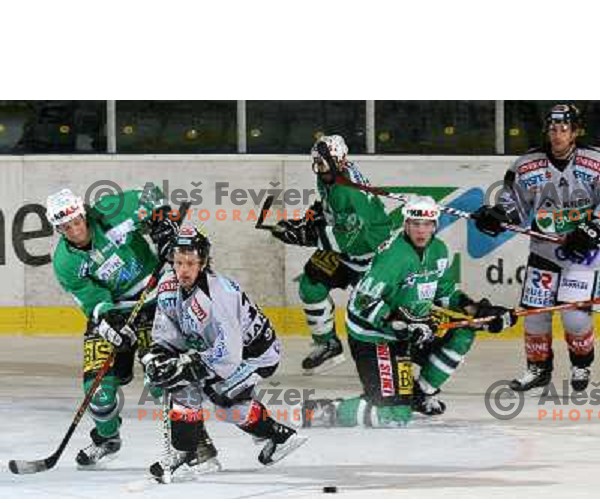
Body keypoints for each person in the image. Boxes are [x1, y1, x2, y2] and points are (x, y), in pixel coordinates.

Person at [47, 185, 219, 469]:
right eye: (66, 227)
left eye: (77, 221)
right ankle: (107, 438)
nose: (75, 230)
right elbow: (92, 300)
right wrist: (108, 318)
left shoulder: (109, 211)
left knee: (164, 378)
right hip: (114, 313)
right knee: (97, 390)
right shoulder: (64, 262)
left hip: (154, 301)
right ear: (59, 229)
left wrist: (163, 225)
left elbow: (151, 196)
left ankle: (197, 443)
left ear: (83, 214)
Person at [305, 196, 516, 427]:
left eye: (426, 224)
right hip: (375, 337)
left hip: (412, 328)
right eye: (415, 224)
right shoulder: (394, 257)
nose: (421, 230)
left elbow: (446, 295)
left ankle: (421, 393)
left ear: (435, 225)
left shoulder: (438, 250)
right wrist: (400, 321)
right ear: (406, 224)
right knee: (395, 416)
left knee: (466, 329)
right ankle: (326, 411)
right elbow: (362, 302)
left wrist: (479, 312)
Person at [141, 225, 307, 482]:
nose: (183, 270)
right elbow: (167, 329)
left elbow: (229, 354)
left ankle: (276, 436)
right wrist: (159, 355)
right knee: (190, 390)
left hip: (256, 354)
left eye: (190, 263)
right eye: (179, 262)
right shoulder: (168, 285)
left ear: (203, 262)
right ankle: (188, 456)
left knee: (220, 398)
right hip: (221, 352)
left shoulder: (219, 296)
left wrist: (189, 367)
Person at [473, 103, 600, 393]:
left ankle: (581, 363)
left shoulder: (595, 160)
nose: (557, 135)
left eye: (564, 129)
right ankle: (538, 369)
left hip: (583, 253)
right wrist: (498, 216)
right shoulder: (527, 164)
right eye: (553, 129)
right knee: (535, 314)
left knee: (574, 315)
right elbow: (513, 203)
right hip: (544, 249)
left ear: (576, 131)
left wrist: (593, 228)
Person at [272, 134, 401, 374]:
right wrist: (306, 221)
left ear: (338, 160)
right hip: (347, 252)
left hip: (371, 256)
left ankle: (399, 359)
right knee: (311, 284)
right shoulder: (329, 178)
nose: (317, 166)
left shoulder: (347, 191)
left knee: (376, 313)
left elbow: (349, 237)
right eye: (316, 161)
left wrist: (306, 236)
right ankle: (328, 344)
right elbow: (325, 207)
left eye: (321, 161)